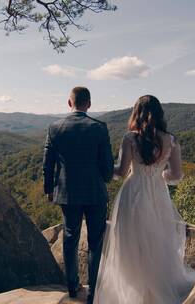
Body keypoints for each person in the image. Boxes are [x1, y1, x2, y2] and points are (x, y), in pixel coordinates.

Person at [94, 95, 195, 304]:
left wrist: (101, 166)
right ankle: (158, 286)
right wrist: (159, 176)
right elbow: (176, 175)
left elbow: (121, 172)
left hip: (133, 193)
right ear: (160, 114)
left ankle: (133, 291)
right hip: (158, 194)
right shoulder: (171, 140)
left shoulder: (130, 138)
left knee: (130, 242)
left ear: (136, 113)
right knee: (158, 239)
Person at [43, 87, 114, 304]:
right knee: (95, 242)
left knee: (70, 238)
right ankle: (93, 291)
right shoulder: (99, 127)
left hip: (68, 193)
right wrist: (106, 179)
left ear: (69, 103)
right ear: (89, 104)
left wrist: (49, 189)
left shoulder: (55, 127)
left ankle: (73, 287)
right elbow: (107, 165)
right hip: (95, 191)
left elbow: (48, 163)